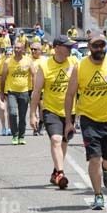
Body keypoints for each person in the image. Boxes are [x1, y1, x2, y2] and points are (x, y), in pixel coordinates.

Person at [64, 31, 107, 210]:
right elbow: (70, 95)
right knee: (94, 159)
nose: (99, 49)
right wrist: (69, 121)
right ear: (89, 47)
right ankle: (98, 195)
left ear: (106, 46)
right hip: (89, 120)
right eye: (95, 46)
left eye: (102, 45)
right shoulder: (80, 67)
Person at [30, 35, 78, 189]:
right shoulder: (45, 66)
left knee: (63, 142)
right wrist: (32, 114)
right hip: (51, 110)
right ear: (57, 48)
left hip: (70, 111)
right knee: (56, 140)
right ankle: (61, 174)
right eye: (67, 46)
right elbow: (37, 91)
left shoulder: (74, 63)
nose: (70, 49)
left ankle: (55, 172)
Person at [1, 41, 33, 145]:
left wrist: (34, 90)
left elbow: (34, 75)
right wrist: (1, 92)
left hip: (24, 91)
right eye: (15, 48)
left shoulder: (28, 61)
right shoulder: (8, 62)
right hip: (12, 92)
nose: (16, 50)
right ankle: (15, 135)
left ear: (23, 49)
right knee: (13, 113)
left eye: (19, 48)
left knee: (22, 116)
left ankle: (21, 136)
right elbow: (3, 78)